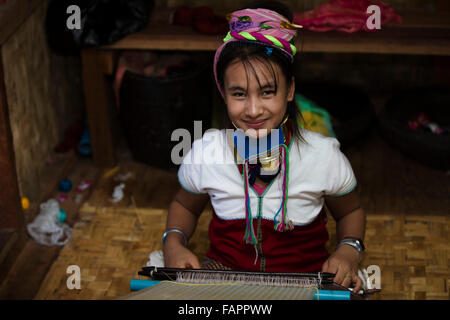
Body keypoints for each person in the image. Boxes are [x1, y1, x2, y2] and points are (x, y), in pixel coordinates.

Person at [162, 1, 366, 293]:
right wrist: (173, 242)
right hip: (223, 277)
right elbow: (184, 204)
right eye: (239, 93)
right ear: (223, 93)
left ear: (290, 89)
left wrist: (349, 249)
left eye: (268, 91)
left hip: (305, 280)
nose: (254, 109)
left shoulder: (323, 157)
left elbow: (351, 212)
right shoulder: (207, 154)